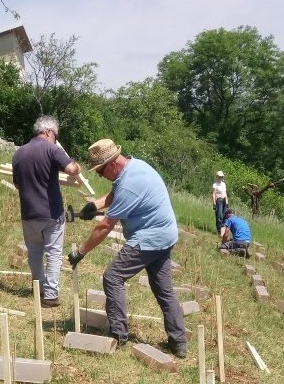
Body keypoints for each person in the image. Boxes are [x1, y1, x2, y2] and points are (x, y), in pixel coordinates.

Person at [67, 138, 188, 358]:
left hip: (150, 238)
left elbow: (105, 226)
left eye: (101, 172)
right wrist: (95, 205)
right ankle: (179, 342)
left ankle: (118, 335)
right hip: (165, 234)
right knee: (164, 289)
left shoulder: (131, 184)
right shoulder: (134, 167)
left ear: (112, 163)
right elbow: (115, 192)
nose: (100, 176)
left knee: (113, 277)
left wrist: (80, 252)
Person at [11, 116, 81, 307]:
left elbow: (17, 184)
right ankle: (50, 295)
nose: (56, 139)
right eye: (56, 135)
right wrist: (77, 166)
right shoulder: (52, 149)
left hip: (29, 213)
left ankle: (39, 288)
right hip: (51, 213)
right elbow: (72, 170)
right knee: (54, 253)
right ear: (49, 132)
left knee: (34, 252)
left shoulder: (19, 153)